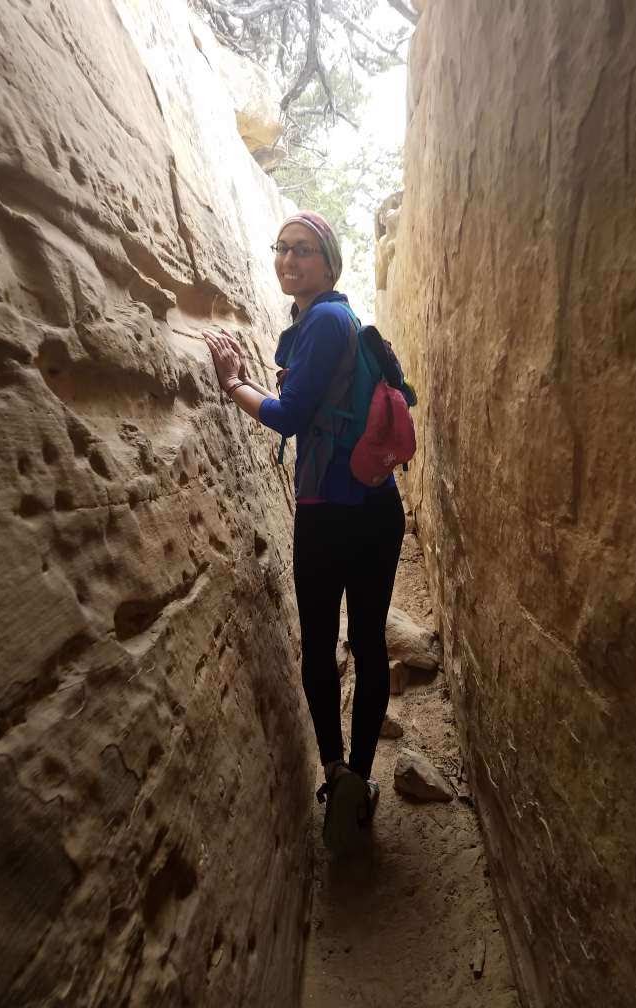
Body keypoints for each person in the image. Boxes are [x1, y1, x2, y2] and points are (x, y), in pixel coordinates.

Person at [204, 210, 405, 854]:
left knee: (321, 643)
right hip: (377, 508)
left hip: (328, 514)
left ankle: (338, 773)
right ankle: (358, 782)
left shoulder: (320, 321)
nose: (288, 260)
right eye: (282, 248)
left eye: (304, 250)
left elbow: (288, 417)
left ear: (330, 264)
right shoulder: (336, 320)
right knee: (367, 642)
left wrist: (233, 383)